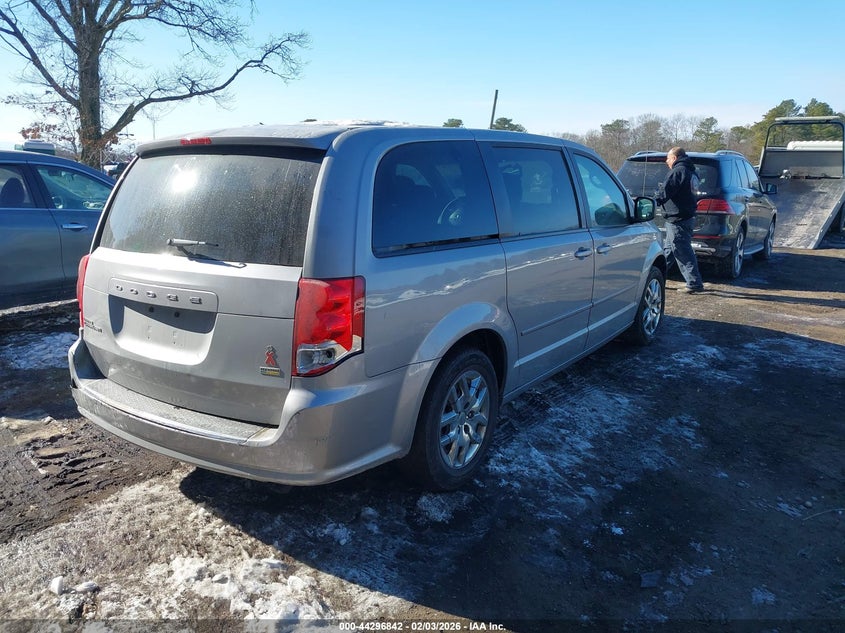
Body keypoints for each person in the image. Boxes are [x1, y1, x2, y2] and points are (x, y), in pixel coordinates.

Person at [656, 147, 705, 293]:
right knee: (668, 252)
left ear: (675, 158)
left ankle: (694, 283)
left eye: (668, 158)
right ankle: (656, 277)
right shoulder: (691, 172)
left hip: (678, 219)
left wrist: (653, 201)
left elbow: (665, 191)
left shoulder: (678, 171)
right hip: (684, 217)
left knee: (682, 251)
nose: (666, 161)